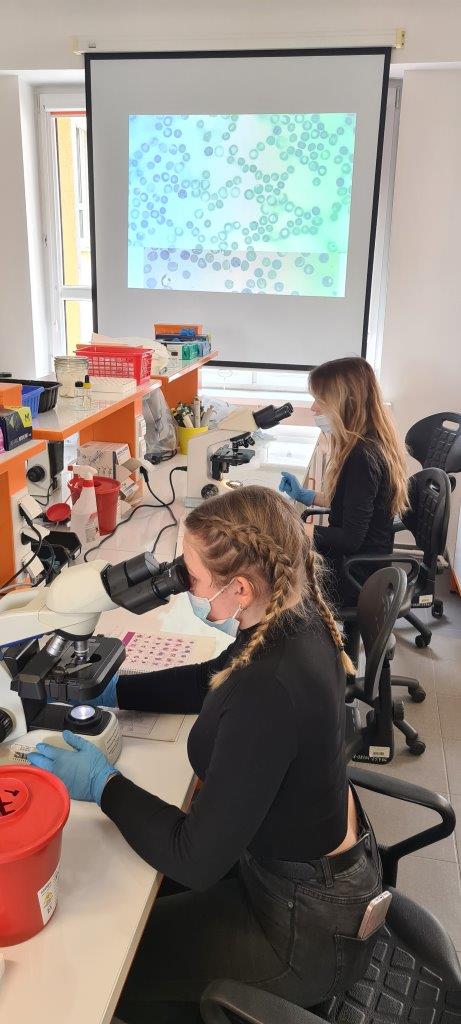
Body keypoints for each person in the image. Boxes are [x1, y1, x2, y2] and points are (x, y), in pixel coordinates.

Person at [28, 485, 382, 1022]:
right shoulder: (292, 616)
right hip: (307, 870)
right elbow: (211, 679)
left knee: (113, 968)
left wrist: (103, 784)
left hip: (302, 928)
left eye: (189, 576)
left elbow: (195, 859)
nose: (179, 586)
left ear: (240, 588)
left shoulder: (269, 689)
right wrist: (117, 689)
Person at [280, 356, 408, 627]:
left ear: (345, 402)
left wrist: (292, 528)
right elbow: (356, 503)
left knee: (276, 582)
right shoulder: (371, 442)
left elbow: (350, 539)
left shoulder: (362, 456)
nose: (313, 408)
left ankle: (304, 650)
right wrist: (307, 496)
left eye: (320, 400)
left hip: (355, 574)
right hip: (365, 565)